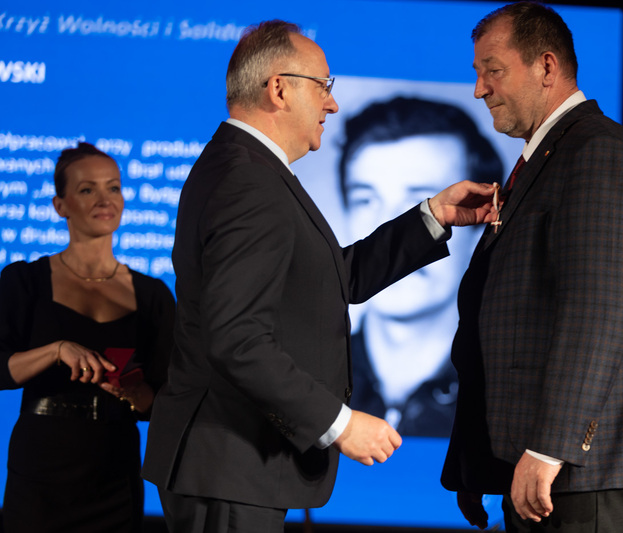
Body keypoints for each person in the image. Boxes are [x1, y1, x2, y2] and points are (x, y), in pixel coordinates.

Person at [141, 20, 497, 532]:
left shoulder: (247, 169)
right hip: (229, 464)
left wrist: (432, 217)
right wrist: (339, 423)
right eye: (323, 85)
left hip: (233, 467)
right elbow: (236, 338)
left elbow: (332, 280)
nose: (332, 103)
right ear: (279, 89)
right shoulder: (249, 180)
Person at [440, 3, 623, 532]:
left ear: (546, 67)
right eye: (478, 73)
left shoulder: (598, 152)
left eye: (493, 70)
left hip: (581, 469)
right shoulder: (550, 157)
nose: (479, 89)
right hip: (538, 466)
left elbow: (597, 312)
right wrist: (479, 457)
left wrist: (551, 447)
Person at [0, 142, 175, 533]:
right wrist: (56, 350)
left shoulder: (153, 295)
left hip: (114, 469)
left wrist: (132, 390)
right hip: (41, 470)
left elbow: (165, 397)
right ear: (60, 205)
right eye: (87, 189)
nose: (104, 199)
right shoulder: (24, 282)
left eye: (113, 187)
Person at [339, 96, 503, 437]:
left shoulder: (510, 387)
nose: (388, 228)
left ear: (482, 222)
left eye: (422, 203)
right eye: (366, 200)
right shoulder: (301, 374)